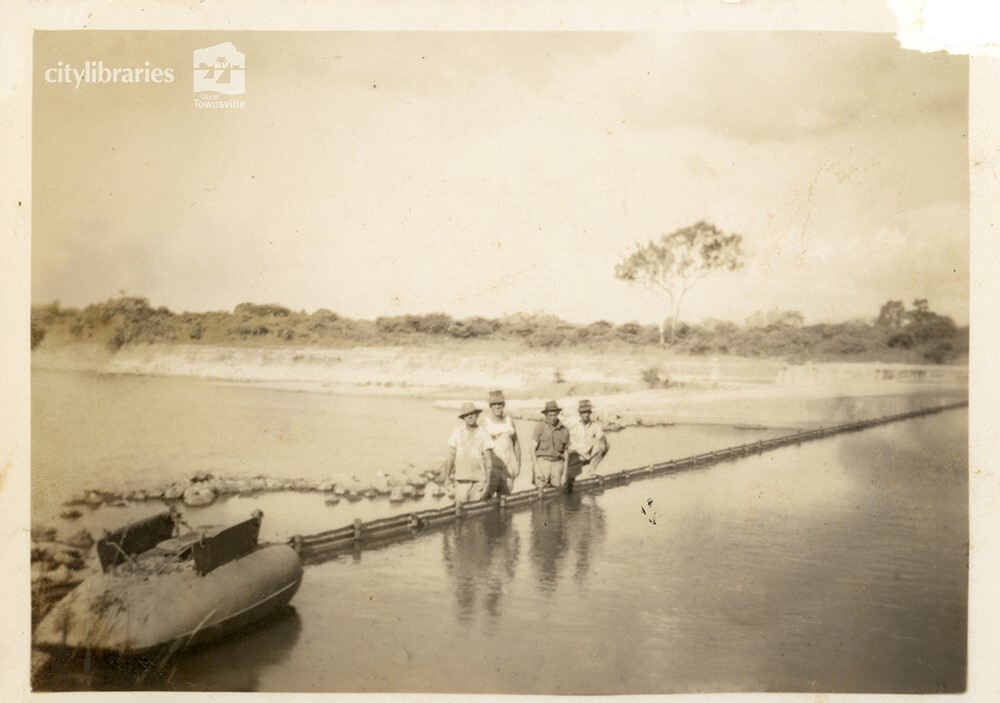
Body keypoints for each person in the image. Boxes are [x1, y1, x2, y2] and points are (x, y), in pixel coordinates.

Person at [442, 402, 496, 505]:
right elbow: (450, 456)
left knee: (476, 516)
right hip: (461, 482)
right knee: (461, 513)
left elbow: (489, 462)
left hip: (479, 483)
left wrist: (488, 484)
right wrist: (446, 478)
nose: (470, 416)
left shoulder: (484, 434)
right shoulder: (457, 433)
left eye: (472, 413)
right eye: (466, 415)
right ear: (463, 418)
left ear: (477, 415)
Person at [480, 390, 522, 495]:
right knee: (486, 498)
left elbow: (516, 444)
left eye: (499, 404)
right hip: (491, 470)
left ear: (503, 405)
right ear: (490, 406)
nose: (497, 407)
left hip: (507, 468)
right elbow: (479, 447)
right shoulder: (485, 423)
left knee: (505, 499)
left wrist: (518, 464)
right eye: (494, 404)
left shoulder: (509, 421)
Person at [567, 399, 610, 484]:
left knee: (606, 445)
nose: (586, 415)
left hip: (585, 454)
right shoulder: (574, 424)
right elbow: (564, 437)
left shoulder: (593, 424)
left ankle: (591, 470)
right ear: (580, 414)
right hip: (574, 456)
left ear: (590, 413)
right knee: (568, 482)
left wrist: (602, 442)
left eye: (588, 412)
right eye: (584, 413)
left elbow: (602, 436)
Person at [530, 400, 570, 488]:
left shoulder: (564, 429)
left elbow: (566, 453)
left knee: (557, 492)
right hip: (543, 462)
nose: (553, 418)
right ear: (546, 415)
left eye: (555, 415)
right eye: (550, 415)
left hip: (558, 463)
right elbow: (532, 450)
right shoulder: (539, 427)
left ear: (558, 414)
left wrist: (565, 474)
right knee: (541, 491)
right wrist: (537, 468)